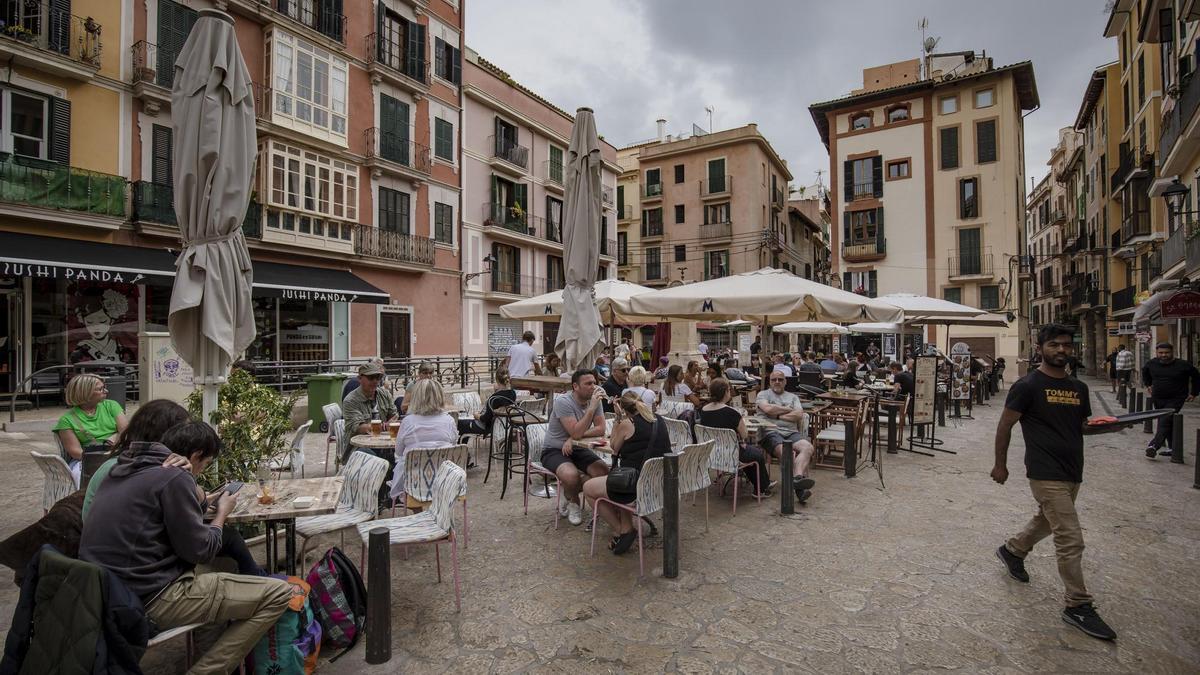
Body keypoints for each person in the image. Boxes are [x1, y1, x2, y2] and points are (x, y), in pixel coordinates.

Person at [80, 415, 292, 675]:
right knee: (278, 593)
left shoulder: (124, 468)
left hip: (107, 594)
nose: (202, 471)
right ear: (196, 455)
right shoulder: (174, 477)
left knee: (222, 564)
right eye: (206, 464)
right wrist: (222, 513)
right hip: (149, 599)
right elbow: (201, 549)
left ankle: (208, 652)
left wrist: (199, 498)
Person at [991, 323, 1129, 641]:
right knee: (1070, 537)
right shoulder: (1027, 386)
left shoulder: (1079, 388)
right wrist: (1000, 464)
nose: (1062, 350)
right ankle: (1077, 605)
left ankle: (1013, 551)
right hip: (1044, 471)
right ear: (1040, 348)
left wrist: (1110, 427)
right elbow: (1005, 425)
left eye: (1066, 344)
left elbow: (1080, 427)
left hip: (1072, 470)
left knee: (1047, 520)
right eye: (1054, 344)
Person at [581, 391, 670, 554]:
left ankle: (621, 531)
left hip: (635, 486)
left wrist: (618, 418)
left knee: (588, 488)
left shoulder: (628, 424)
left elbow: (614, 446)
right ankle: (626, 526)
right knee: (621, 477)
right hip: (659, 484)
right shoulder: (659, 420)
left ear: (624, 409)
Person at [82, 398, 194, 519]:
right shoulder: (131, 468)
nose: (186, 441)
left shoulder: (126, 462)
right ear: (168, 435)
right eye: (183, 433)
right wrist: (185, 477)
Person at [541, 369, 610, 525]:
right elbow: (576, 431)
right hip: (554, 449)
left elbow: (601, 429)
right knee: (571, 476)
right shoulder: (563, 402)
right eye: (588, 383)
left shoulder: (595, 400)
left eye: (594, 383)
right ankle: (574, 502)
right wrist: (590, 410)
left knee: (602, 471)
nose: (593, 387)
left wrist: (572, 439)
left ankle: (568, 490)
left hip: (578, 447)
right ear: (575, 386)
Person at [389, 379, 459, 508]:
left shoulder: (408, 422)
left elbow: (398, 451)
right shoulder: (449, 421)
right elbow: (454, 446)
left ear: (416, 398)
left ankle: (419, 513)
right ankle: (439, 512)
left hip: (415, 483)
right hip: (444, 481)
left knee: (404, 466)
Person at [697, 378, 770, 494]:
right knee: (757, 454)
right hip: (732, 454)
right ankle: (762, 489)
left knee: (748, 453)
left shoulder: (703, 410)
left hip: (711, 453)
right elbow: (745, 434)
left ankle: (758, 484)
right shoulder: (732, 413)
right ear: (726, 392)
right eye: (729, 389)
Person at [53, 374, 128, 485]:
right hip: (87, 459)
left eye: (104, 387)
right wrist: (102, 458)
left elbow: (126, 432)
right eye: (100, 389)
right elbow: (76, 452)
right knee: (79, 475)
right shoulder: (67, 420)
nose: (106, 391)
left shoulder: (111, 406)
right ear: (85, 392)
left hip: (117, 453)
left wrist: (112, 451)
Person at [755, 371, 817, 503]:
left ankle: (797, 478)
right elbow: (768, 409)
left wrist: (777, 415)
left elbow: (799, 415)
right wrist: (789, 409)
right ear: (769, 382)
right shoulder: (763, 394)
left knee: (808, 448)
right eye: (774, 380)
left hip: (791, 432)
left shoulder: (793, 397)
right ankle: (800, 490)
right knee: (786, 452)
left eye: (780, 379)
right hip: (771, 432)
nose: (777, 382)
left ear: (785, 381)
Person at [1140, 342, 1200, 459]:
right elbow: (1145, 372)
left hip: (1176, 398)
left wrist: (1194, 392)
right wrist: (1148, 384)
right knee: (1167, 422)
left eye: (1167, 353)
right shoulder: (1152, 363)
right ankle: (1172, 448)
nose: (1164, 355)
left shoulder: (1183, 365)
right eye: (1161, 353)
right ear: (1157, 352)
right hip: (1158, 397)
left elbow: (1196, 376)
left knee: (1165, 419)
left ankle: (1153, 446)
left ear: (1172, 352)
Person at [342, 361, 398, 440]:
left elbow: (394, 416)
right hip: (358, 443)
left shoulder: (385, 394)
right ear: (359, 379)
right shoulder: (350, 400)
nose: (375, 381)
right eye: (371, 377)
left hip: (383, 440)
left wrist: (393, 421)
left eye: (378, 377)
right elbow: (358, 428)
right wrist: (384, 426)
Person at [458, 368, 517, 435]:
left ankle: (461, 441)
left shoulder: (494, 398)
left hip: (486, 427)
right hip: (503, 427)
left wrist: (476, 415)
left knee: (459, 423)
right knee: (465, 425)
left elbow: (486, 418)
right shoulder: (513, 394)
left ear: (497, 380)